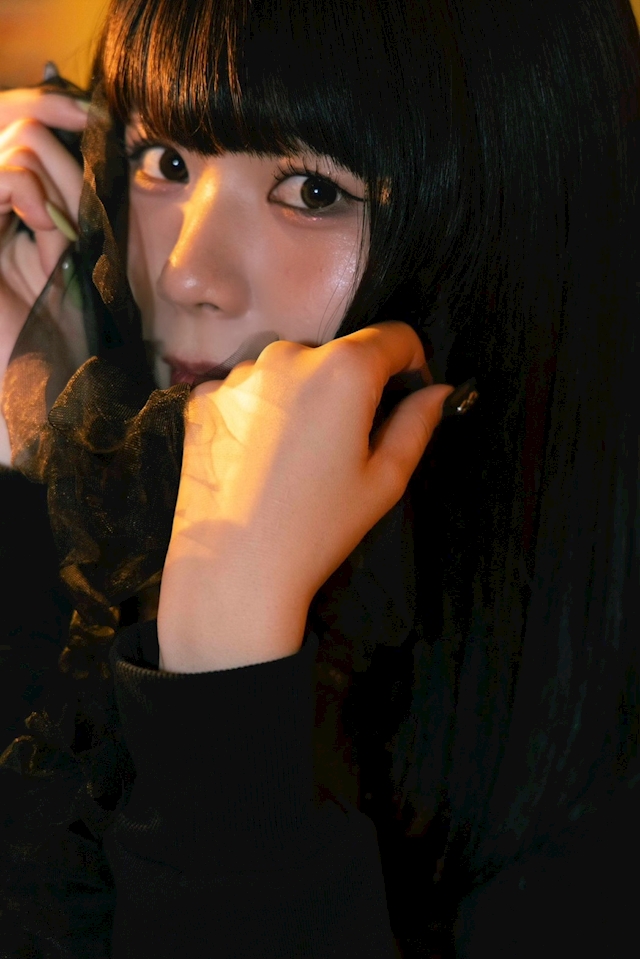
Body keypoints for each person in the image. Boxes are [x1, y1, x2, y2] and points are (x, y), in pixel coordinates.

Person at [0, 0, 639, 956]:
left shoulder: (597, 748)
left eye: (312, 189)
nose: (185, 274)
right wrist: (29, 452)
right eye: (165, 161)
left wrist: (226, 671)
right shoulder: (104, 477)